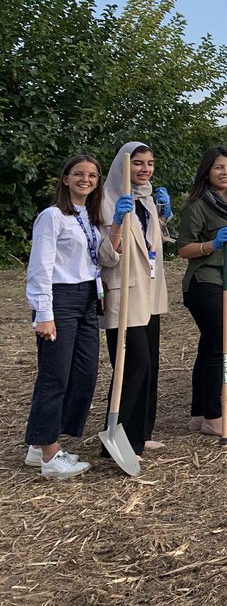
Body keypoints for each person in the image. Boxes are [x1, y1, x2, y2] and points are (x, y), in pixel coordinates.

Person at [23, 156, 115, 478]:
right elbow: (40, 267)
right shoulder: (53, 217)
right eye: (78, 173)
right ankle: (49, 456)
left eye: (92, 175)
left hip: (88, 298)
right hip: (60, 299)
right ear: (64, 179)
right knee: (55, 376)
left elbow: (100, 255)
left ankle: (41, 442)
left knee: (85, 374)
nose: (85, 179)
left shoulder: (89, 217)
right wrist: (44, 313)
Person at [98, 143, 171, 459]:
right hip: (124, 293)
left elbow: (151, 244)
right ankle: (118, 438)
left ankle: (141, 433)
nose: (145, 169)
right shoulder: (104, 202)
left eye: (150, 163)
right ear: (122, 167)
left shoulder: (148, 201)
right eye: (138, 164)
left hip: (149, 293)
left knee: (150, 363)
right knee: (133, 364)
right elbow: (103, 256)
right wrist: (115, 224)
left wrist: (163, 218)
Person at [176, 147, 227, 437]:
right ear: (207, 172)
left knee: (209, 346)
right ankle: (214, 416)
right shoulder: (197, 206)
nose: (225, 173)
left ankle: (198, 414)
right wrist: (211, 245)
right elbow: (183, 248)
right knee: (220, 346)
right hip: (205, 282)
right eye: (219, 168)